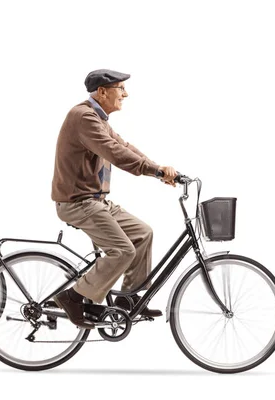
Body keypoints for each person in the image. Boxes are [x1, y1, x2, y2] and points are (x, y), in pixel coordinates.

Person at [51, 69, 178, 329]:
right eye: (120, 88)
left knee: (142, 233)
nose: (125, 94)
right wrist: (154, 171)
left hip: (96, 201)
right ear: (102, 92)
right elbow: (115, 153)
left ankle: (126, 301)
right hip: (78, 203)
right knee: (122, 250)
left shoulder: (98, 119)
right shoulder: (83, 117)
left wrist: (159, 170)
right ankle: (72, 297)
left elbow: (124, 146)